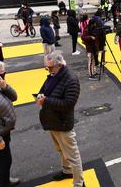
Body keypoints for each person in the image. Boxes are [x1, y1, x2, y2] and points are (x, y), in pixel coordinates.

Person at [36, 52, 85, 187]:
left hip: (63, 122)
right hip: (52, 120)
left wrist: (46, 101)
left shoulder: (71, 79)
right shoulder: (53, 75)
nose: (49, 71)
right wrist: (40, 96)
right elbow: (44, 89)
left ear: (60, 65)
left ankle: (79, 183)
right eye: (47, 68)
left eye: (50, 68)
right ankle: (67, 171)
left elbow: (69, 104)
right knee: (61, 150)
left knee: (73, 156)